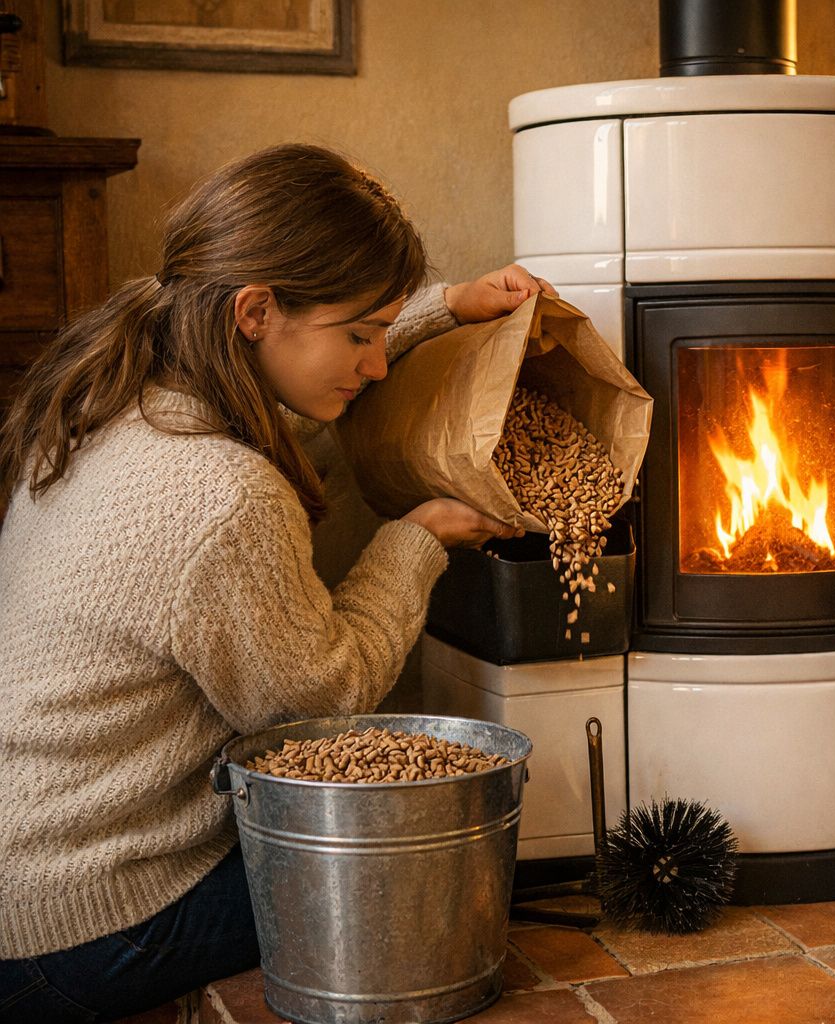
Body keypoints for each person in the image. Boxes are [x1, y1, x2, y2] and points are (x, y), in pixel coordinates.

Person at [0, 143, 558, 1020]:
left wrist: (442, 308)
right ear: (255, 310)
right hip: (82, 919)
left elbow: (308, 382)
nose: (375, 365)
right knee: (425, 878)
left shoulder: (112, 399)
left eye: (381, 333)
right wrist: (417, 539)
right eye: (360, 336)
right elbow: (320, 704)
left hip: (26, 874)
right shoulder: (219, 492)